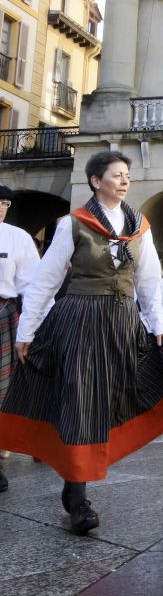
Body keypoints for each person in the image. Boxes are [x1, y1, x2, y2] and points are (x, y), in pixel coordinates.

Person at [0, 151, 163, 533]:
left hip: (122, 323)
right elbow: (45, 281)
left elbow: (149, 278)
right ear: (96, 181)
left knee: (111, 399)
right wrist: (27, 331)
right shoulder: (73, 224)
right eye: (117, 175)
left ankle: (73, 479)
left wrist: (159, 324)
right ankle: (78, 498)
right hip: (79, 319)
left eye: (127, 175)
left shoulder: (139, 225)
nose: (125, 181)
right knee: (80, 399)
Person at [0, 185, 40, 491]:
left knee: (4, 388)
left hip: (4, 313)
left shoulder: (18, 238)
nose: (2, 208)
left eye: (5, 203)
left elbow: (32, 284)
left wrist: (34, 325)